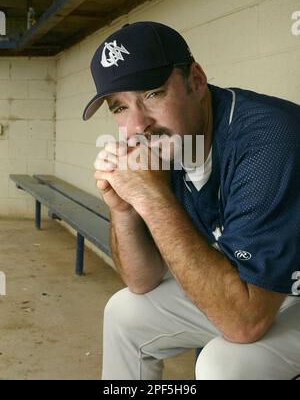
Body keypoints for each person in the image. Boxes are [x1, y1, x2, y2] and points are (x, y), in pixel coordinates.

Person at [83, 21, 300, 380]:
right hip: (258, 286)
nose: (138, 125)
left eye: (152, 94)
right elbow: (142, 281)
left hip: (275, 294)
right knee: (125, 313)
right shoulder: (172, 145)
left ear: (196, 81)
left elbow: (244, 323)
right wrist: (122, 208)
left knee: (223, 364)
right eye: (119, 107)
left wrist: (151, 196)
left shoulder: (270, 141)